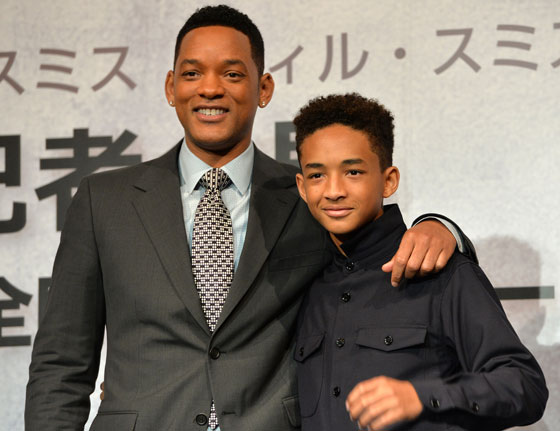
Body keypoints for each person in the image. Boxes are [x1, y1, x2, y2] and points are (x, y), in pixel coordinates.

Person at [25, 6, 475, 431]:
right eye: (192, 73)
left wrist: (442, 228)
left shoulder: (308, 196)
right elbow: (61, 360)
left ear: (263, 89)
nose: (210, 88)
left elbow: (381, 246)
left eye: (232, 74)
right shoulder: (103, 201)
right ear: (170, 87)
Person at [293, 93, 548, 431]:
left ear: (389, 180)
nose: (333, 190)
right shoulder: (306, 287)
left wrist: (421, 397)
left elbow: (525, 385)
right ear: (301, 186)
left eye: (353, 172)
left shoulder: (441, 271)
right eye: (317, 176)